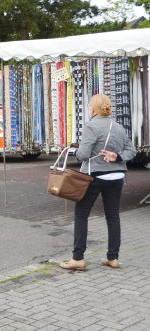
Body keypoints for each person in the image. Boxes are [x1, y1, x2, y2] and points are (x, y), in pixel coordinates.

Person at [60, 94, 136, 270]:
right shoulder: (118, 127)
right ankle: (113, 258)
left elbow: (84, 154)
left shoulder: (91, 126)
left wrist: (76, 152)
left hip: (94, 176)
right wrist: (117, 156)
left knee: (81, 214)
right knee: (113, 216)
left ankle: (78, 258)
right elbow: (131, 150)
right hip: (117, 176)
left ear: (93, 108)